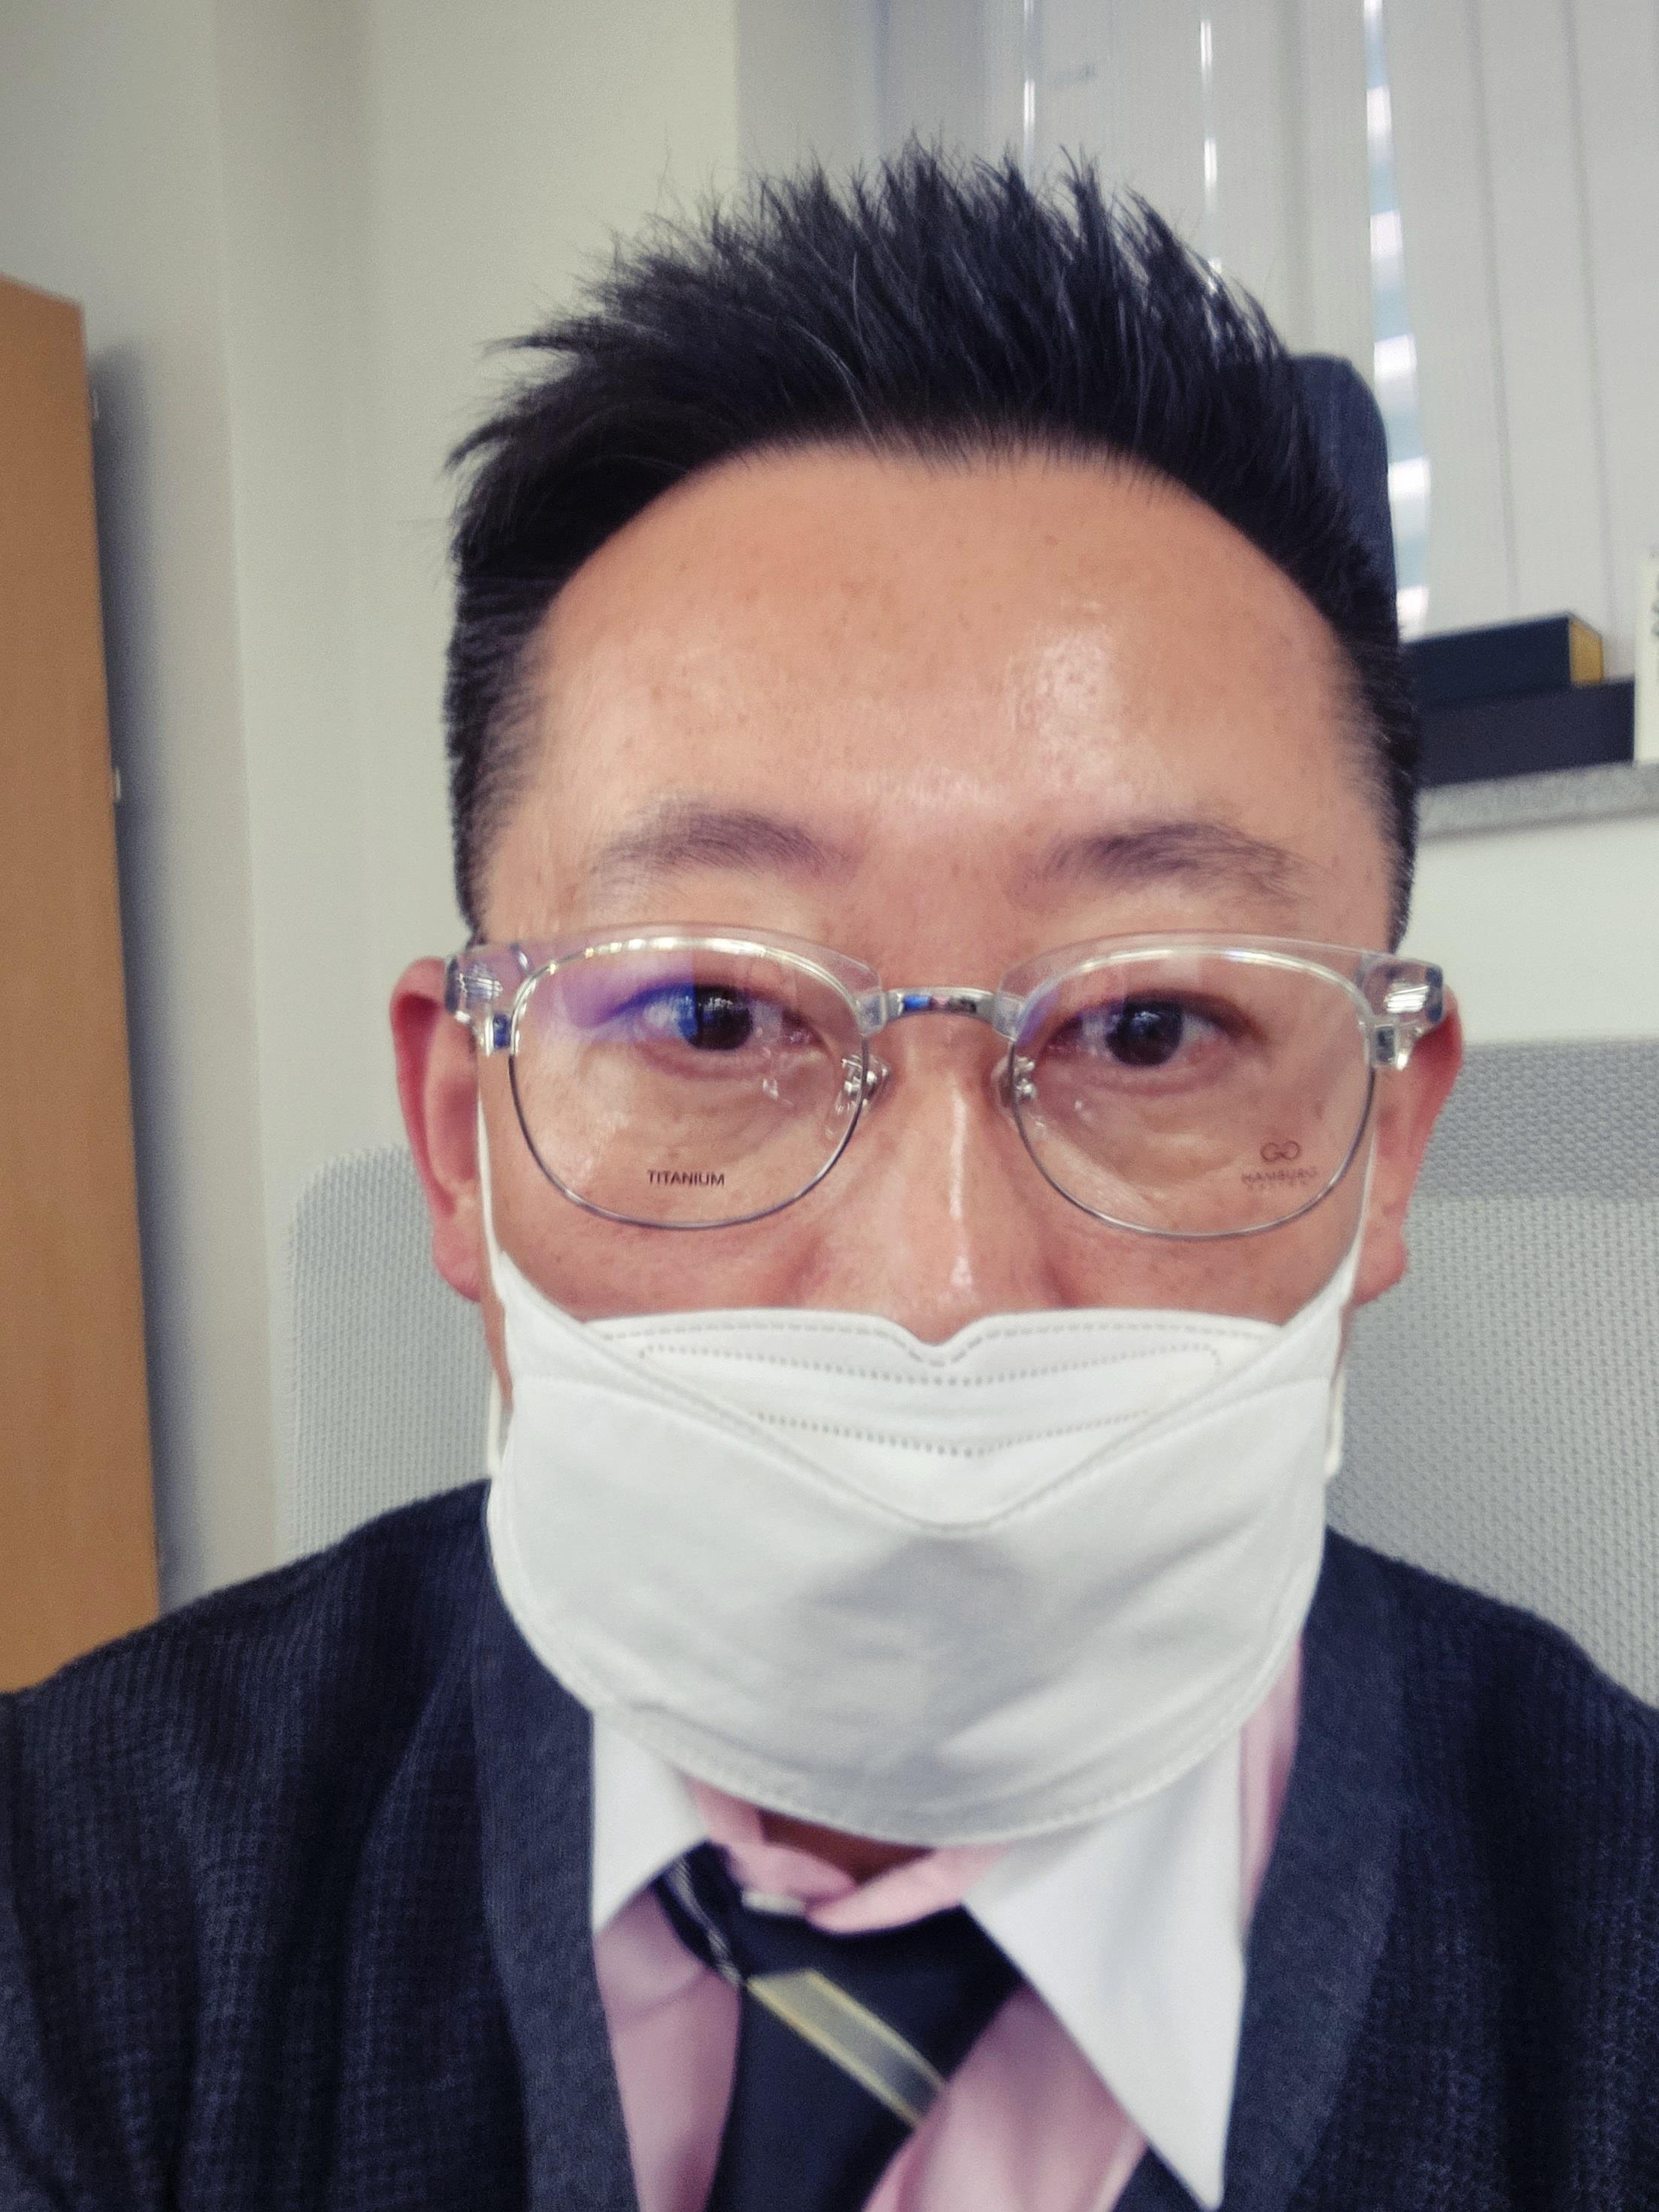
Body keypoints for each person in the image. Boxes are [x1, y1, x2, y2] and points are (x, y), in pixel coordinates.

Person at [2, 153, 1655, 2212]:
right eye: (712, 1014)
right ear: (457, 1137)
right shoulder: (84, 1919)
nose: (935, 1285)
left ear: (1387, 1139)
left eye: (1150, 1026)